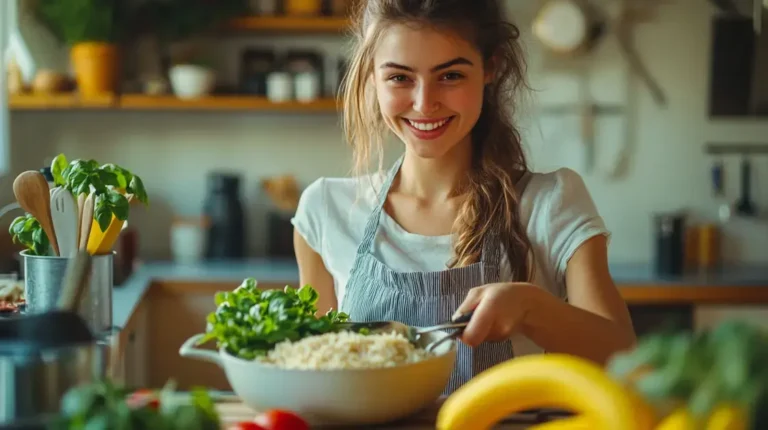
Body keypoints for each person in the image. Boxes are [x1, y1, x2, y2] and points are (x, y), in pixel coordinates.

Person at [291, 0, 636, 394]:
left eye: (450, 75)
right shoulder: (324, 210)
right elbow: (310, 376)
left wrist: (532, 308)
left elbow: (622, 356)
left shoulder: (550, 203)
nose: (424, 103)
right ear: (372, 77)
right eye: (400, 78)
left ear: (491, 67)